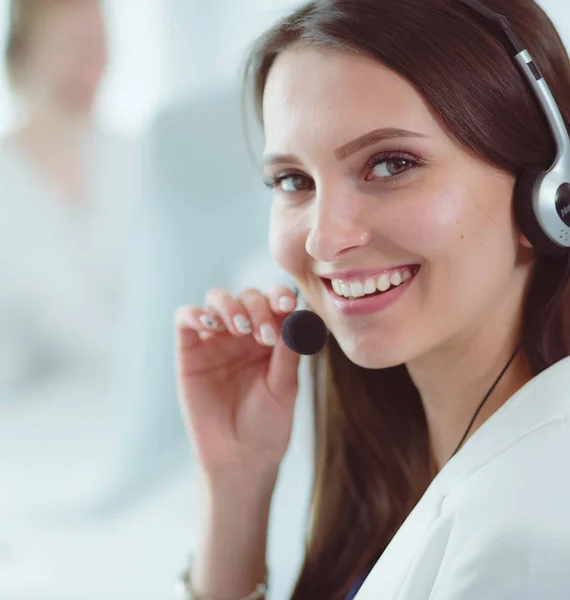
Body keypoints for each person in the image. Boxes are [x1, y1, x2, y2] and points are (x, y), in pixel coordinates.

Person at [174, 0, 570, 598]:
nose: (323, 237)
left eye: (390, 164)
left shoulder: (530, 531)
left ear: (550, 197)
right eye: (293, 181)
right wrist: (236, 487)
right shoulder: (405, 455)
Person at [0, 0, 137, 511]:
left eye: (101, 44)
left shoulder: (132, 159)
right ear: (27, 53)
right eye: (77, 47)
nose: (96, 64)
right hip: (27, 430)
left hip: (120, 416)